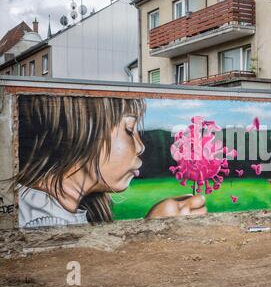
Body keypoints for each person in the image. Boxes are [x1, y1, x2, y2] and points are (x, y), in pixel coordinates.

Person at [14, 95, 206, 229]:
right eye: (129, 130)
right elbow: (84, 281)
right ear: (83, 133)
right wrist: (151, 231)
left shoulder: (49, 210)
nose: (140, 147)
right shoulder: (44, 222)